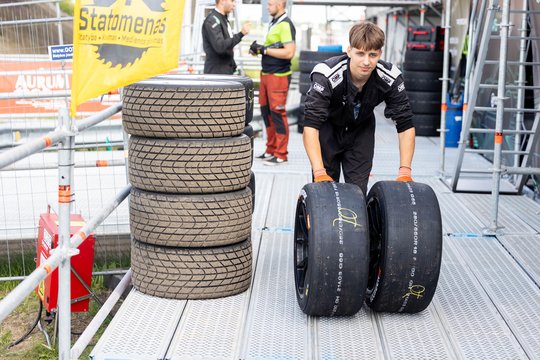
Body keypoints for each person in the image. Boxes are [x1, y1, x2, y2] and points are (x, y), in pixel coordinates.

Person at [302, 22, 415, 195]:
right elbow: (310, 125)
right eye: (360, 53)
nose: (366, 61)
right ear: (349, 51)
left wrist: (405, 171)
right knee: (323, 192)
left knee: (357, 193)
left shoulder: (391, 78)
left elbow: (405, 124)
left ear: (380, 54)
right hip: (328, 129)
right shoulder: (326, 74)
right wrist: (319, 173)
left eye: (373, 55)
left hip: (361, 132)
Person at [250, 0, 296, 165]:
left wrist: (265, 50)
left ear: (280, 4)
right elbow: (272, 49)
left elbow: (289, 52)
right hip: (266, 74)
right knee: (266, 112)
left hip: (279, 76)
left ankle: (281, 154)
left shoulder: (286, 24)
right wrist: (258, 50)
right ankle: (271, 149)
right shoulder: (274, 23)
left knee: (277, 113)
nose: (267, 7)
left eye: (270, 4)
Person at [202, 0, 250, 75]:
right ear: (222, 1)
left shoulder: (223, 19)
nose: (234, 5)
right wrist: (240, 34)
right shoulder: (212, 20)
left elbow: (227, 47)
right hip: (216, 75)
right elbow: (220, 47)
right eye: (232, 1)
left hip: (225, 72)